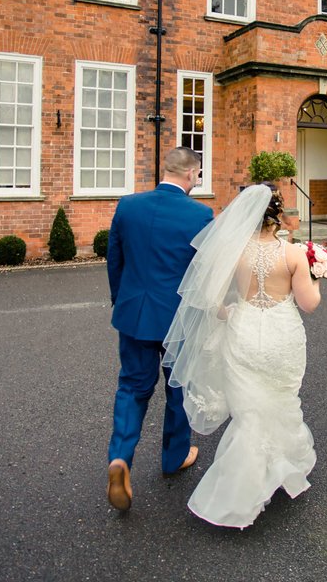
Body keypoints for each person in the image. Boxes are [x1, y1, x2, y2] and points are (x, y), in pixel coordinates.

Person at [162, 183, 323, 528]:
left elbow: (211, 301)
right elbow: (309, 304)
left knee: (250, 412)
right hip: (282, 335)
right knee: (280, 399)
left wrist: (230, 312)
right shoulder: (294, 255)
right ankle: (264, 476)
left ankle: (250, 480)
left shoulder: (233, 253)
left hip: (244, 331)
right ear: (278, 216)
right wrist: (319, 277)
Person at [105, 146, 214, 512]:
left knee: (133, 387)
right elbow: (205, 274)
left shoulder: (128, 206)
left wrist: (121, 301)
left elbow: (115, 261)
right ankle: (174, 456)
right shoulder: (200, 214)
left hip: (134, 312)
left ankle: (120, 457)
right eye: (198, 176)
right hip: (179, 318)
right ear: (190, 175)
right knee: (178, 385)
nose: (197, 181)